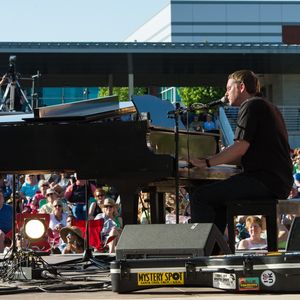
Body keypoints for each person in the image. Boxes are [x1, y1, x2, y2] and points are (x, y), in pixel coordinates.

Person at [188, 70, 293, 235]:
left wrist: (207, 162)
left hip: (265, 181)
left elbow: (240, 147)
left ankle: (201, 253)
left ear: (241, 87)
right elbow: (248, 153)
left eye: (229, 88)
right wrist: (213, 159)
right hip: (277, 181)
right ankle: (214, 250)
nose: (226, 93)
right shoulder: (267, 105)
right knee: (217, 198)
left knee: (200, 196)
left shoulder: (251, 105)